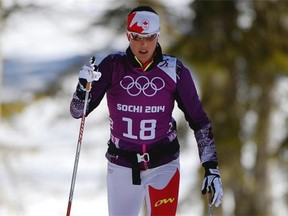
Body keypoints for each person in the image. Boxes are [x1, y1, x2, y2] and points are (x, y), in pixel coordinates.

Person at [70, 5, 223, 216]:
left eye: (150, 37)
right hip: (122, 164)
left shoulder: (174, 70)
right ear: (127, 36)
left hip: (163, 165)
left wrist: (211, 167)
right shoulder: (113, 67)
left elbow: (199, 120)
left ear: (158, 36)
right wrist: (82, 88)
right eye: (137, 36)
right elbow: (78, 111)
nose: (143, 44)